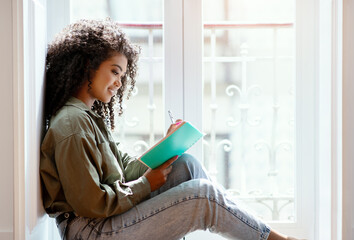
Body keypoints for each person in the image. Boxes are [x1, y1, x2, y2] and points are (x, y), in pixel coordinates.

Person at [40, 19, 300, 240]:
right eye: (115, 72)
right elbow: (92, 203)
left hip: (101, 221)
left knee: (186, 164)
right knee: (203, 197)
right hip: (90, 230)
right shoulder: (72, 124)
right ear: (87, 66)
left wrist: (167, 145)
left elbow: (124, 172)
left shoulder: (88, 118)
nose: (119, 82)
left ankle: (257, 232)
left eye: (123, 76)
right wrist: (145, 185)